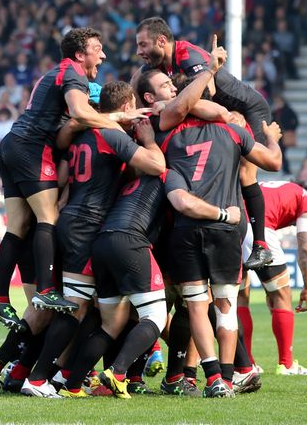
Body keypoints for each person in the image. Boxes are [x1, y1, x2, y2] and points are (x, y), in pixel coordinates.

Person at [136, 66, 283, 397]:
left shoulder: (167, 132)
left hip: (184, 230)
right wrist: (271, 136)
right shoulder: (232, 130)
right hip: (225, 227)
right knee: (225, 304)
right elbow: (273, 162)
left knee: (196, 306)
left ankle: (211, 376)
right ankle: (228, 379)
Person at [0, 27, 149, 326]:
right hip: (32, 150)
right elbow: (79, 113)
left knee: (18, 224)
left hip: (12, 145)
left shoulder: (55, 73)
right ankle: (47, 290)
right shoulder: (73, 74)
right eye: (97, 49)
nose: (103, 55)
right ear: (79, 54)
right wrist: (118, 125)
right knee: (48, 216)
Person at [20, 81, 166, 398]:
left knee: (87, 311)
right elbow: (156, 165)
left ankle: (59, 377)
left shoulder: (83, 134)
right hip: (86, 226)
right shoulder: (109, 134)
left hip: (73, 219)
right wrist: (149, 140)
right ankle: (38, 378)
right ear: (127, 105)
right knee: (75, 309)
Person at [57, 170, 243, 398]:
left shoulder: (130, 179)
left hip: (102, 242)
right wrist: (225, 215)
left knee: (110, 324)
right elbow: (183, 203)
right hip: (132, 243)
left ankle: (73, 385)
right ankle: (118, 373)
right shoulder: (168, 176)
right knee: (155, 316)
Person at [134, 17, 274, 271]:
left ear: (161, 41)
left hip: (247, 110)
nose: (139, 51)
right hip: (219, 112)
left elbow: (205, 93)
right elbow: (135, 86)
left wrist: (168, 105)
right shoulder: (154, 68)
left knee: (245, 172)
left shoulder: (189, 55)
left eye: (143, 45)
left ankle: (262, 245)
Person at [238, 180, 307, 377]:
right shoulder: (306, 199)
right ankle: (286, 364)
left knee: (239, 298)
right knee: (282, 296)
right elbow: (305, 244)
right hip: (259, 232)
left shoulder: (274, 186)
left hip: (232, 228)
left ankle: (247, 365)